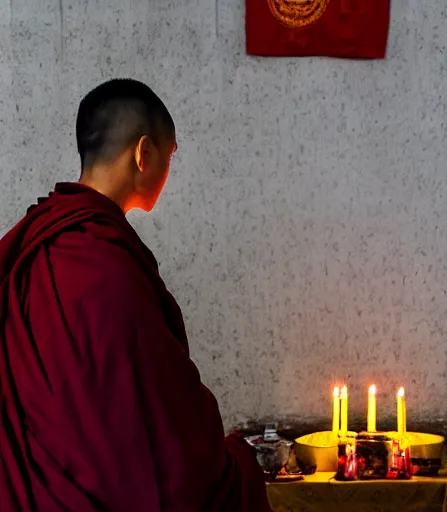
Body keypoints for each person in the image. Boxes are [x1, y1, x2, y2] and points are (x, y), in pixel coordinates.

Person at [0, 79, 271, 512]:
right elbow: (161, 414)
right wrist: (236, 458)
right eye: (170, 155)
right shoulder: (104, 262)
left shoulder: (41, 241)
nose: (168, 169)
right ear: (144, 153)